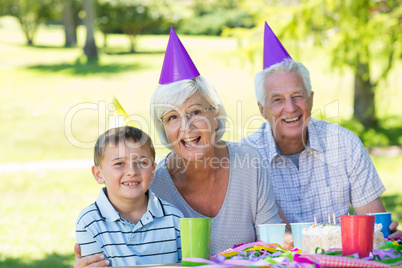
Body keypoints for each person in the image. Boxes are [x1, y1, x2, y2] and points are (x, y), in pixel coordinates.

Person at [74, 26, 291, 268]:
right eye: (172, 117)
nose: (186, 127)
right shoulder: (151, 180)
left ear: (215, 113)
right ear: (163, 127)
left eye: (195, 112)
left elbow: (275, 245)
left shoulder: (248, 162)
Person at [242, 21, 402, 238]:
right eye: (277, 99)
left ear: (311, 99)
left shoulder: (344, 142)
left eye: (297, 96)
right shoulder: (246, 156)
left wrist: (387, 236)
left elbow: (376, 226)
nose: (290, 108)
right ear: (262, 109)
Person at [75, 126, 183, 266]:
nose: (132, 171)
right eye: (119, 163)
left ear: (152, 171)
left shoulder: (175, 219)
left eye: (141, 162)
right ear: (98, 174)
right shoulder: (89, 222)